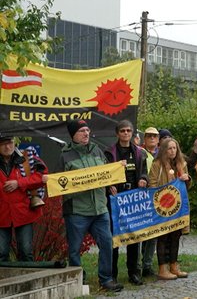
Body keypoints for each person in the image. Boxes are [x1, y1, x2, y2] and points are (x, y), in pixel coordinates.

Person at [58, 119, 124, 292]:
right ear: (73, 135)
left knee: (107, 243)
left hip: (100, 208)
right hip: (77, 210)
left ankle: (106, 280)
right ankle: (78, 281)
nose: (86, 133)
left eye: (87, 130)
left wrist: (111, 183)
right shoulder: (65, 155)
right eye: (82, 131)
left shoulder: (97, 150)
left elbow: (105, 172)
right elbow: (59, 183)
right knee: (74, 250)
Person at [104, 120, 148, 286]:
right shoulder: (109, 152)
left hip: (133, 199)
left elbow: (144, 172)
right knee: (114, 238)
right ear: (117, 133)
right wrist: (109, 185)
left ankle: (133, 273)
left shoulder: (138, 152)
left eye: (129, 131)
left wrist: (143, 179)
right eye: (122, 131)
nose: (126, 133)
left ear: (132, 133)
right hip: (115, 199)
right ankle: (112, 274)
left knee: (133, 237)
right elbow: (105, 174)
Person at [0, 133, 48, 262]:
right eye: (3, 144)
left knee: (26, 253)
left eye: (9, 142)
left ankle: (28, 282)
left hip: (24, 212)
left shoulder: (28, 156)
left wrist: (19, 183)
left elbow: (43, 177)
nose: (7, 146)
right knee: (1, 253)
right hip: (1, 214)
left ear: (14, 142)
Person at [148, 137, 191, 280]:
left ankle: (174, 265)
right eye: (169, 148)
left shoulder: (181, 163)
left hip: (177, 206)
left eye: (174, 148)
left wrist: (187, 179)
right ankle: (162, 268)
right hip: (163, 206)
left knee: (176, 236)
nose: (172, 151)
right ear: (164, 150)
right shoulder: (157, 164)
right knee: (163, 236)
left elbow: (187, 186)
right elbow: (152, 184)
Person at [139, 126, 160, 277]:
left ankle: (147, 264)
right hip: (142, 197)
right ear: (144, 139)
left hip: (158, 197)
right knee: (140, 233)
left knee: (153, 232)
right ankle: (137, 265)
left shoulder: (163, 154)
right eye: (149, 136)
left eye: (154, 136)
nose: (152, 138)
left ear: (158, 139)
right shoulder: (139, 153)